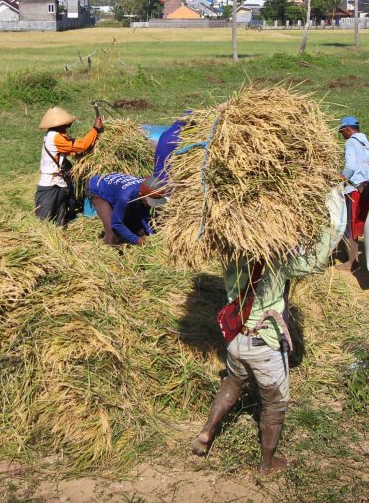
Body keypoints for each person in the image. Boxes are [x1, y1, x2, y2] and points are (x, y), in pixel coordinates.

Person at [190, 257, 294, 474]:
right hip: (263, 343)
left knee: (234, 382)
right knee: (274, 404)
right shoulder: (277, 262)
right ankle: (267, 464)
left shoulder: (232, 260)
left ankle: (207, 431)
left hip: (236, 338)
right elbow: (316, 262)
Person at [35, 107, 102, 225]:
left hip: (58, 182)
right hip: (51, 184)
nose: (68, 126)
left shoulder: (53, 135)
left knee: (61, 216)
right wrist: (95, 129)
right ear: (61, 124)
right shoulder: (56, 138)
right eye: (66, 124)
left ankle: (60, 235)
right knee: (44, 220)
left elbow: (70, 150)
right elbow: (81, 146)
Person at [86, 173, 166, 246]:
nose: (151, 204)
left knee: (137, 225)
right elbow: (116, 223)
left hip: (116, 188)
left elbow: (144, 214)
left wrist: (151, 234)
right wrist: (138, 240)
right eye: (150, 201)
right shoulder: (125, 197)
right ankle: (110, 252)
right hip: (98, 188)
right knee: (112, 229)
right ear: (141, 194)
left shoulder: (146, 188)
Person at [338, 115, 369, 269]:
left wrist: (339, 179)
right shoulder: (367, 143)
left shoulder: (351, 142)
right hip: (367, 187)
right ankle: (355, 260)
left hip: (354, 188)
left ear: (348, 129)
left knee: (349, 225)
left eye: (342, 132)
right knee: (358, 223)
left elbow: (351, 167)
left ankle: (351, 262)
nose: (342, 135)